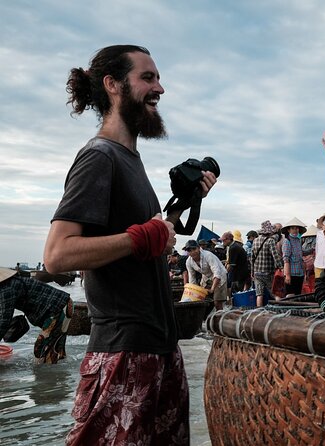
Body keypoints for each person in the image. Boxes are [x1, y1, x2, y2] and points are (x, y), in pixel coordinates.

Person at [43, 45, 217, 444]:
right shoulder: (98, 157)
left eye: (157, 78)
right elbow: (57, 255)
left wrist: (183, 207)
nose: (160, 88)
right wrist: (140, 236)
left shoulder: (131, 161)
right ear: (113, 85)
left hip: (160, 349)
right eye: (148, 78)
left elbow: (147, 243)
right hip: (121, 356)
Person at [0, 267, 73, 364]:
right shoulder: (10, 283)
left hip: (58, 308)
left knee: (40, 350)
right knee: (55, 350)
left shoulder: (6, 289)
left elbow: (4, 321)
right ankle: (60, 375)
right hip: (63, 304)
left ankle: (46, 376)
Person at [184, 239, 227, 308]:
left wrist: (212, 289)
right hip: (206, 276)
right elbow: (192, 278)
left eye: (194, 249)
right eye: (189, 250)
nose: (192, 252)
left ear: (198, 248)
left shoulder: (208, 255)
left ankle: (219, 316)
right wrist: (192, 293)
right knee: (201, 298)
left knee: (217, 302)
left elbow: (217, 273)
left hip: (220, 276)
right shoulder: (189, 262)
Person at [251, 220, 283, 307]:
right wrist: (281, 267)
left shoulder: (255, 241)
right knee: (275, 293)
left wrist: (252, 272)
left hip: (257, 272)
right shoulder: (270, 241)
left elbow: (252, 258)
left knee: (259, 294)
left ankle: (259, 311)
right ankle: (280, 308)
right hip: (268, 272)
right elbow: (275, 256)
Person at [281, 217, 308, 296]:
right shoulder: (287, 241)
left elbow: (302, 253)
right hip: (291, 273)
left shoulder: (298, 240)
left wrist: (313, 249)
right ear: (289, 230)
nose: (295, 230)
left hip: (300, 273)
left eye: (296, 229)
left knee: (298, 295)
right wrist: (287, 275)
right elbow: (286, 259)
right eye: (293, 228)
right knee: (290, 295)